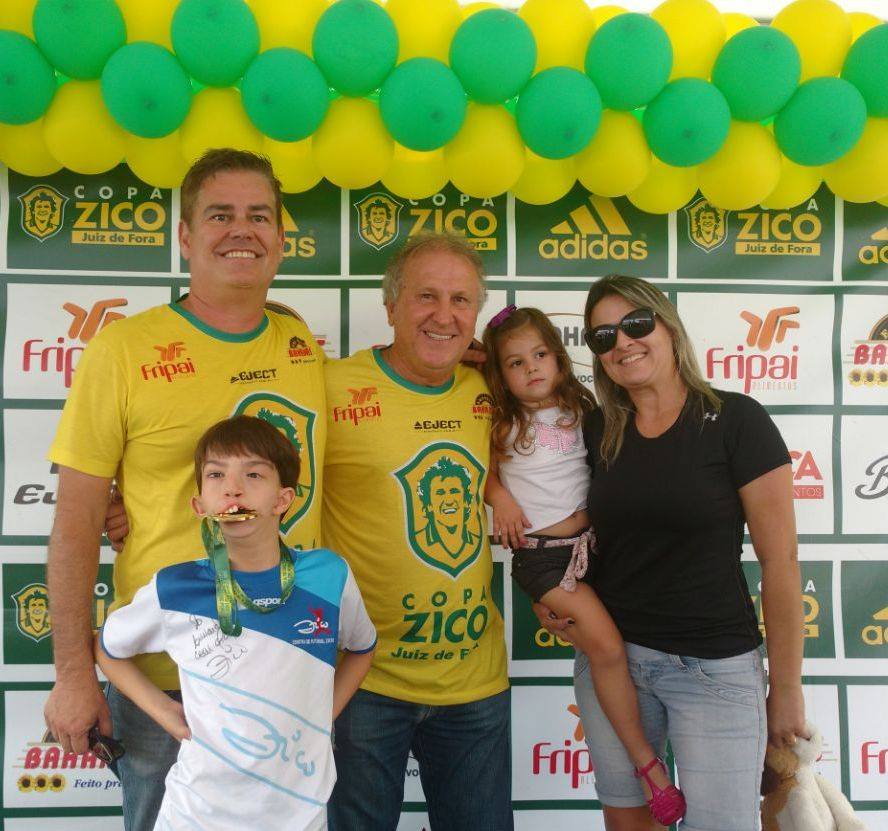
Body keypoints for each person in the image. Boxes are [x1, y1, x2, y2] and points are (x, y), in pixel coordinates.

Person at [44, 149, 327, 831]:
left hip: (293, 664)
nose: (242, 229)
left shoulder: (301, 346)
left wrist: (463, 361)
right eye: (220, 214)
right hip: (168, 679)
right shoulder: (123, 350)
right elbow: (78, 519)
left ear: (281, 239)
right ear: (184, 236)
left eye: (260, 216)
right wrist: (74, 672)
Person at [538, 275, 805, 831]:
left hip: (714, 670)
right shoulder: (595, 430)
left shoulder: (737, 421)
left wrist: (787, 689)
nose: (623, 343)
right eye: (604, 336)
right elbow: (535, 479)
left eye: (636, 324)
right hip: (613, 664)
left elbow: (780, 568)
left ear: (668, 326)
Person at [96, 415, 375, 830]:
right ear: (200, 505)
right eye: (216, 475)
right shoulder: (175, 587)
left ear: (283, 500)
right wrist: (163, 710)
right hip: (197, 814)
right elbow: (107, 648)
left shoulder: (328, 576)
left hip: (299, 813)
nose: (232, 487)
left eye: (254, 473)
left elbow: (362, 647)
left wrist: (323, 713)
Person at [323, 233, 511, 830]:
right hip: (365, 681)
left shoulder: (495, 389)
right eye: (426, 296)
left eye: (461, 301)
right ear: (391, 306)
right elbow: (245, 464)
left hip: (475, 684)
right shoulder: (329, 388)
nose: (445, 315)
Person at [482, 305, 685, 826]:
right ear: (497, 373)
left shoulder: (583, 405)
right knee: (608, 650)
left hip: (593, 547)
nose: (531, 369)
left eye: (541, 355)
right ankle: (647, 764)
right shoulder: (497, 417)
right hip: (543, 561)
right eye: (515, 363)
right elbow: (475, 465)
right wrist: (496, 492)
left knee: (624, 647)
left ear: (559, 355)